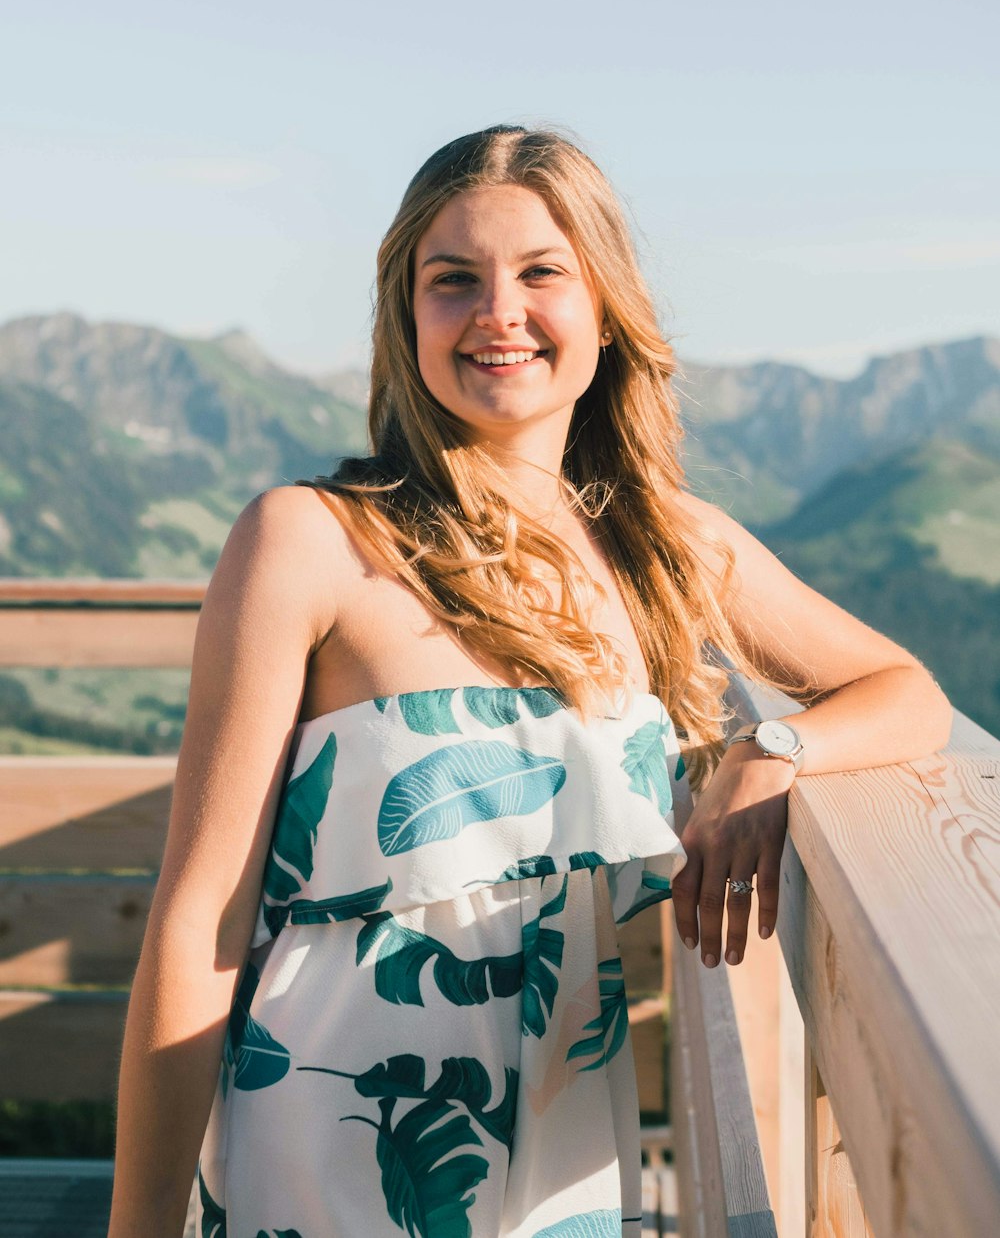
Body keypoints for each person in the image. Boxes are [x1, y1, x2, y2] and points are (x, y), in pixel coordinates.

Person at [108, 125, 951, 1238]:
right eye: (451, 280)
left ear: (604, 305)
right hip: (330, 1134)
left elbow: (904, 689)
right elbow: (195, 920)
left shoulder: (664, 548)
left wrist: (770, 751)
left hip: (562, 1139)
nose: (497, 311)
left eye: (541, 272)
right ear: (407, 319)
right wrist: (138, 1225)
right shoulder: (308, 540)